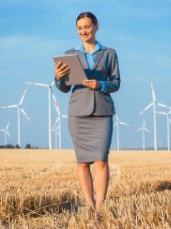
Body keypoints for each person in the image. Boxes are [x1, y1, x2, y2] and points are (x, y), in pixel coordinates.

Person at [54, 11, 120, 210]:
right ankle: (90, 205)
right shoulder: (69, 55)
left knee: (101, 159)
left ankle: (100, 205)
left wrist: (100, 84)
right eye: (80, 28)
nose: (84, 31)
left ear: (96, 27)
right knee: (82, 162)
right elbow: (64, 88)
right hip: (78, 113)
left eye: (87, 27)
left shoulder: (109, 53)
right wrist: (58, 78)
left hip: (102, 111)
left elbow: (116, 82)